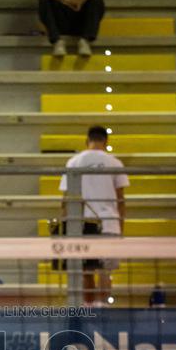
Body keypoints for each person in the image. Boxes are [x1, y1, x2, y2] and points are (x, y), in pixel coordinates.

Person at [58, 126, 129, 306]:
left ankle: (88, 309)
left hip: (82, 224)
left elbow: (65, 199)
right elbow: (121, 199)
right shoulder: (115, 163)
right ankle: (104, 309)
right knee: (105, 271)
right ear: (106, 141)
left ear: (86, 140)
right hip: (109, 222)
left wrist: (65, 226)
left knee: (86, 270)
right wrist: (121, 227)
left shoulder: (73, 162)